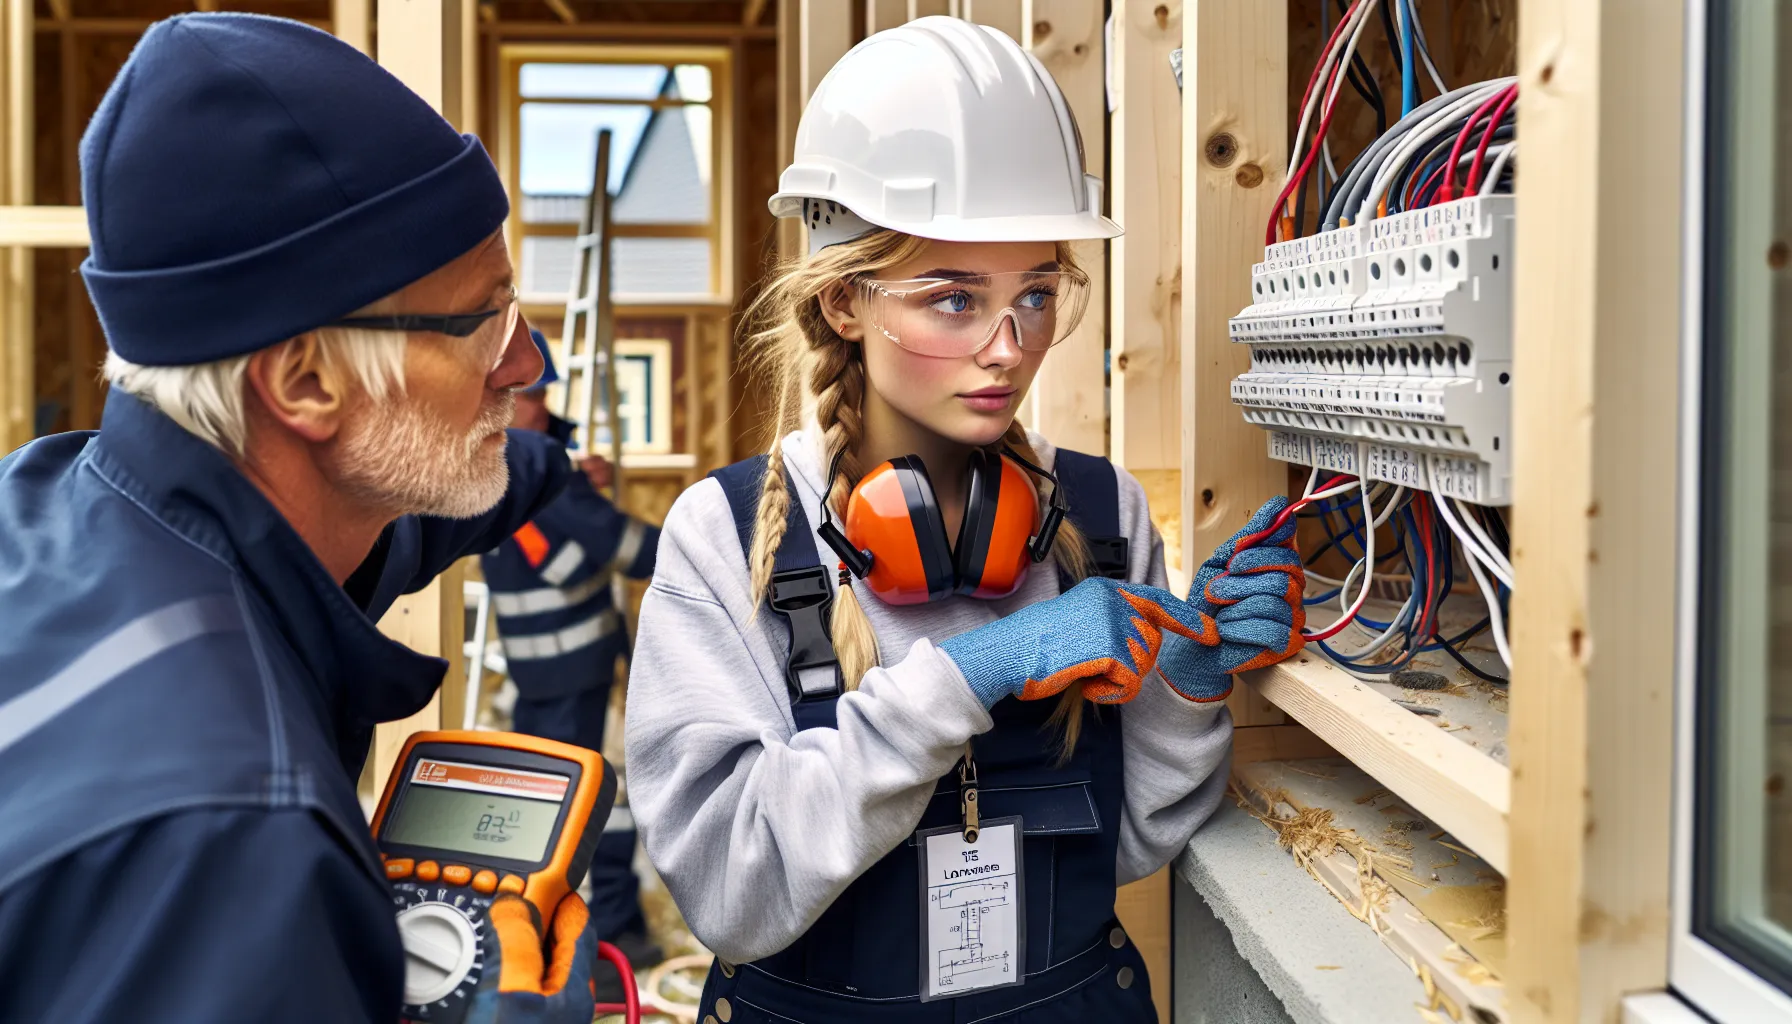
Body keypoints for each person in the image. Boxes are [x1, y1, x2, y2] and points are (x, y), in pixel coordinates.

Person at [625, 17, 1306, 1023]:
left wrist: (1188, 687)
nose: (1008, 346)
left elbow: (1125, 846)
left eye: (1036, 294)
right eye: (953, 299)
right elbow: (731, 891)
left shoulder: (1101, 514)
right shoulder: (731, 535)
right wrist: (966, 676)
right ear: (845, 301)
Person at [0, 15, 601, 1024]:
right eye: (482, 321)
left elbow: (413, 520)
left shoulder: (55, 502)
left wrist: (550, 466)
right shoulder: (238, 840)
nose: (524, 363)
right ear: (308, 381)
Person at [479, 328, 662, 988]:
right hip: (565, 671)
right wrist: (707, 546)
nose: (538, 405)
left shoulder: (527, 463)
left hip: (557, 670)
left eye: (542, 392)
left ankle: (611, 933)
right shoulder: (538, 474)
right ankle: (603, 942)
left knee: (578, 799)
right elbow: (628, 548)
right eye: (530, 393)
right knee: (577, 806)